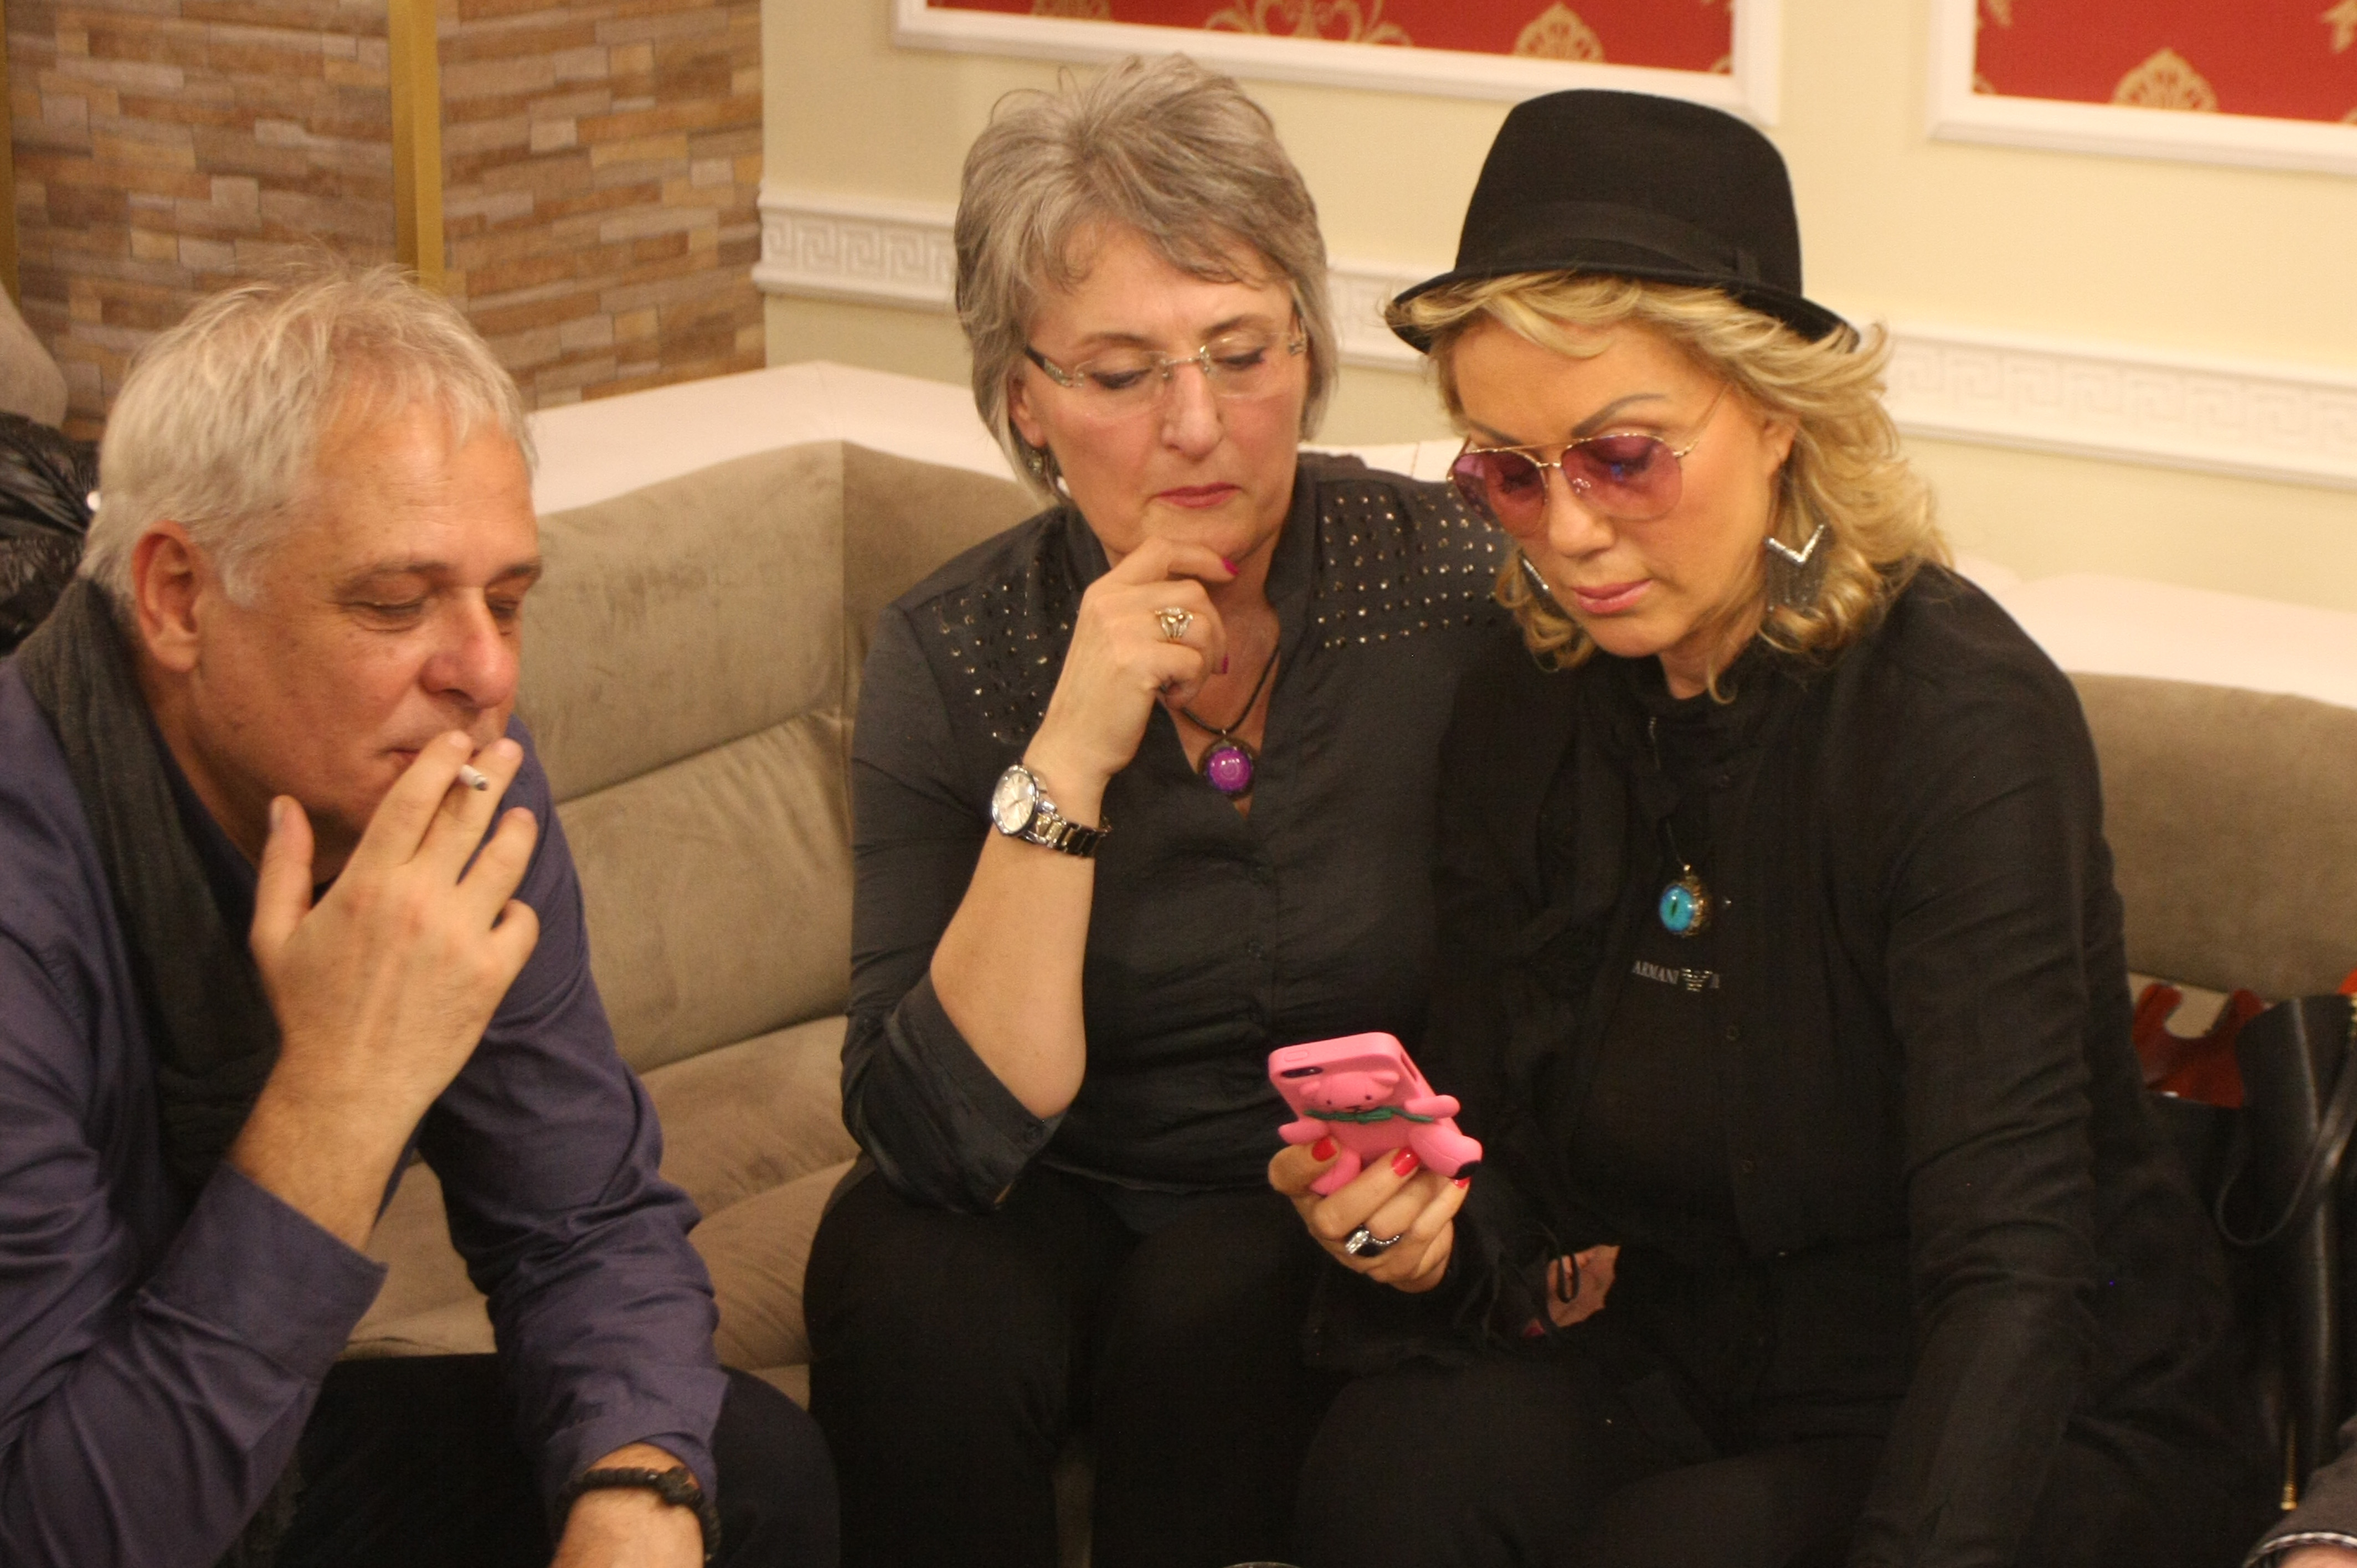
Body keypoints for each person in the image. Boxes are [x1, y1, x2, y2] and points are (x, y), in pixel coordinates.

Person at [1269, 90, 2272, 1567]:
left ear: (1777, 414)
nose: (1569, 534)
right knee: (1392, 1475)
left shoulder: (1953, 723)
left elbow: (2013, 1271)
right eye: (1510, 472)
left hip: (2024, 1393)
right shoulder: (1528, 697)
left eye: (1625, 456)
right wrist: (1416, 1229)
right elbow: (1509, 1164)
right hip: (1697, 1350)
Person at [0, 262, 837, 1568]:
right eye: (395, 604)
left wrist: (634, 1489)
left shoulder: (450, 783)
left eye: (506, 601)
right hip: (67, 1480)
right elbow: (68, 1531)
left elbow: (583, 1224)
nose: (487, 672)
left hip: (242, 1438)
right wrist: (340, 1091)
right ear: (177, 598)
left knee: (742, 1476)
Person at [802, 54, 1507, 1568]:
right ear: (1026, 401)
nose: (1198, 424)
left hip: (1316, 1195)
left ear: (1308, 353)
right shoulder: (957, 648)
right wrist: (1069, 754)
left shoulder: (1449, 581)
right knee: (901, 1271)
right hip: (1047, 1184)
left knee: (1212, 1303)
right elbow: (936, 1135)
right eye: (1122, 375)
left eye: (1242, 353)